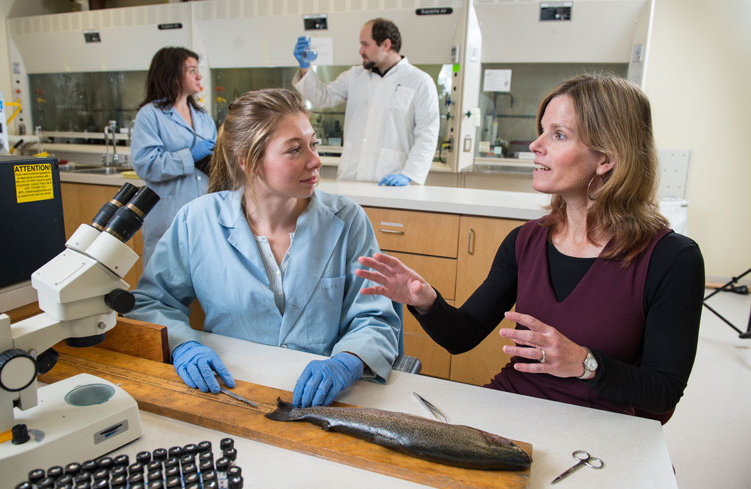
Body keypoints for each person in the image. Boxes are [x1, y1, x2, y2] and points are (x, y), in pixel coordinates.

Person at [356, 73, 704, 421]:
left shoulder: (672, 259)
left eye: (559, 135)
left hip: (607, 425)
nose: (535, 146)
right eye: (542, 131)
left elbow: (664, 391)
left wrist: (586, 364)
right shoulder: (525, 242)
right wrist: (426, 301)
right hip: (514, 404)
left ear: (606, 158)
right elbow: (463, 336)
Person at [127, 88, 400, 408]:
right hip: (233, 391)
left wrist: (347, 361)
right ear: (249, 161)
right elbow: (152, 302)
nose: (316, 160)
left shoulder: (347, 220)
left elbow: (375, 318)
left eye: (313, 144)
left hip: (326, 402)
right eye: (295, 150)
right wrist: (182, 345)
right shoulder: (197, 220)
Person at [292, 18, 439, 186]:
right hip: (350, 178)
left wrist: (409, 174)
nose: (360, 50)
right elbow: (322, 97)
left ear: (386, 44)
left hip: (392, 181)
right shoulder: (354, 76)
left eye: (365, 44)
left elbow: (427, 134)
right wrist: (305, 67)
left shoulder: (419, 81)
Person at [131, 46, 218, 266]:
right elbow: (146, 164)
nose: (198, 76)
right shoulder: (150, 115)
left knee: (203, 287)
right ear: (171, 74)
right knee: (163, 288)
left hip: (204, 217)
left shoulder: (203, 116)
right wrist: (190, 156)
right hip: (168, 218)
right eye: (191, 70)